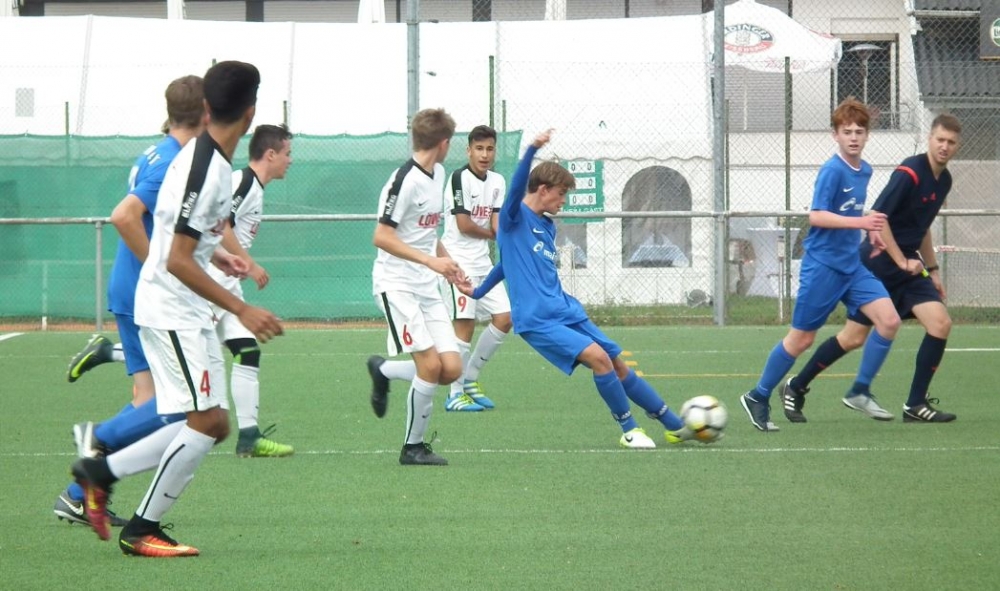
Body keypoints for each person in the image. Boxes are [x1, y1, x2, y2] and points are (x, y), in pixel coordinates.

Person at [71, 60, 283, 557]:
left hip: (180, 306)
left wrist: (221, 255)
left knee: (209, 422)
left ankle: (101, 473)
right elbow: (177, 259)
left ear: (207, 108)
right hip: (172, 308)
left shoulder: (200, 157)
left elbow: (180, 233)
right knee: (205, 421)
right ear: (251, 113)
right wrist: (241, 309)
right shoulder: (207, 169)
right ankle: (138, 524)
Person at [456, 129, 694, 449]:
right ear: (543, 190)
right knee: (599, 359)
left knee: (617, 363)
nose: (563, 201)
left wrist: (478, 291)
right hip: (537, 320)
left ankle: (674, 425)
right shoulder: (513, 217)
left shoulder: (546, 225)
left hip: (566, 309)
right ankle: (630, 430)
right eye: (561, 194)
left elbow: (505, 264)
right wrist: (532, 149)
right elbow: (515, 190)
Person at [54, 75, 205, 528]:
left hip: (133, 289)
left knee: (149, 398)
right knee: (177, 405)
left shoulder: (157, 151)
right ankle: (98, 439)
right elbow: (123, 216)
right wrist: (160, 266)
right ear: (204, 112)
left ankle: (78, 494)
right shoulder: (172, 161)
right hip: (144, 294)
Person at [781, 113, 962, 424]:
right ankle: (796, 386)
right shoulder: (910, 172)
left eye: (951, 142)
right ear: (929, 139)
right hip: (880, 263)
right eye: (940, 139)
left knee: (940, 324)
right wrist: (901, 261)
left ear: (957, 146)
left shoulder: (944, 181)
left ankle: (915, 404)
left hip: (910, 267)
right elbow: (879, 217)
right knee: (853, 338)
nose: (944, 146)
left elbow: (923, 227)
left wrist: (932, 270)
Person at [739, 98, 902, 432]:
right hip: (823, 267)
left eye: (859, 131)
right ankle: (758, 395)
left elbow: (852, 211)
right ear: (835, 135)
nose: (853, 137)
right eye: (847, 131)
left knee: (889, 320)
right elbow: (816, 216)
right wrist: (861, 223)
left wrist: (871, 232)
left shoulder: (865, 170)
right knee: (801, 340)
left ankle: (860, 391)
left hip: (851, 267)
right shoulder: (832, 170)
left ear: (867, 135)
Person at [364, 108, 465, 466]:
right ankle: (413, 447)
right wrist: (429, 262)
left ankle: (383, 370)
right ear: (444, 143)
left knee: (451, 369)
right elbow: (381, 236)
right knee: (429, 366)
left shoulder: (439, 174)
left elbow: (426, 232)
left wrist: (449, 265)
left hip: (426, 285)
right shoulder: (402, 181)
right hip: (397, 285)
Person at [208, 123, 295, 457]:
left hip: (227, 283)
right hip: (210, 283)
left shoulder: (254, 187)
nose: (290, 160)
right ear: (270, 154)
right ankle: (109, 352)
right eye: (287, 153)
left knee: (247, 350)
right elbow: (222, 226)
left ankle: (248, 438)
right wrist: (249, 263)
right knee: (180, 348)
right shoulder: (243, 182)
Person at [439, 125, 512, 412]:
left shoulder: (498, 181)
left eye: (490, 149)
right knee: (465, 324)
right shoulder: (459, 178)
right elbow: (464, 225)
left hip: (483, 263)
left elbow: (495, 221)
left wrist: (506, 239)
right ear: (468, 150)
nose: (484, 154)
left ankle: (470, 379)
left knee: (505, 318)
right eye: (479, 148)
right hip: (458, 263)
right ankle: (454, 394)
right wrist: (494, 236)